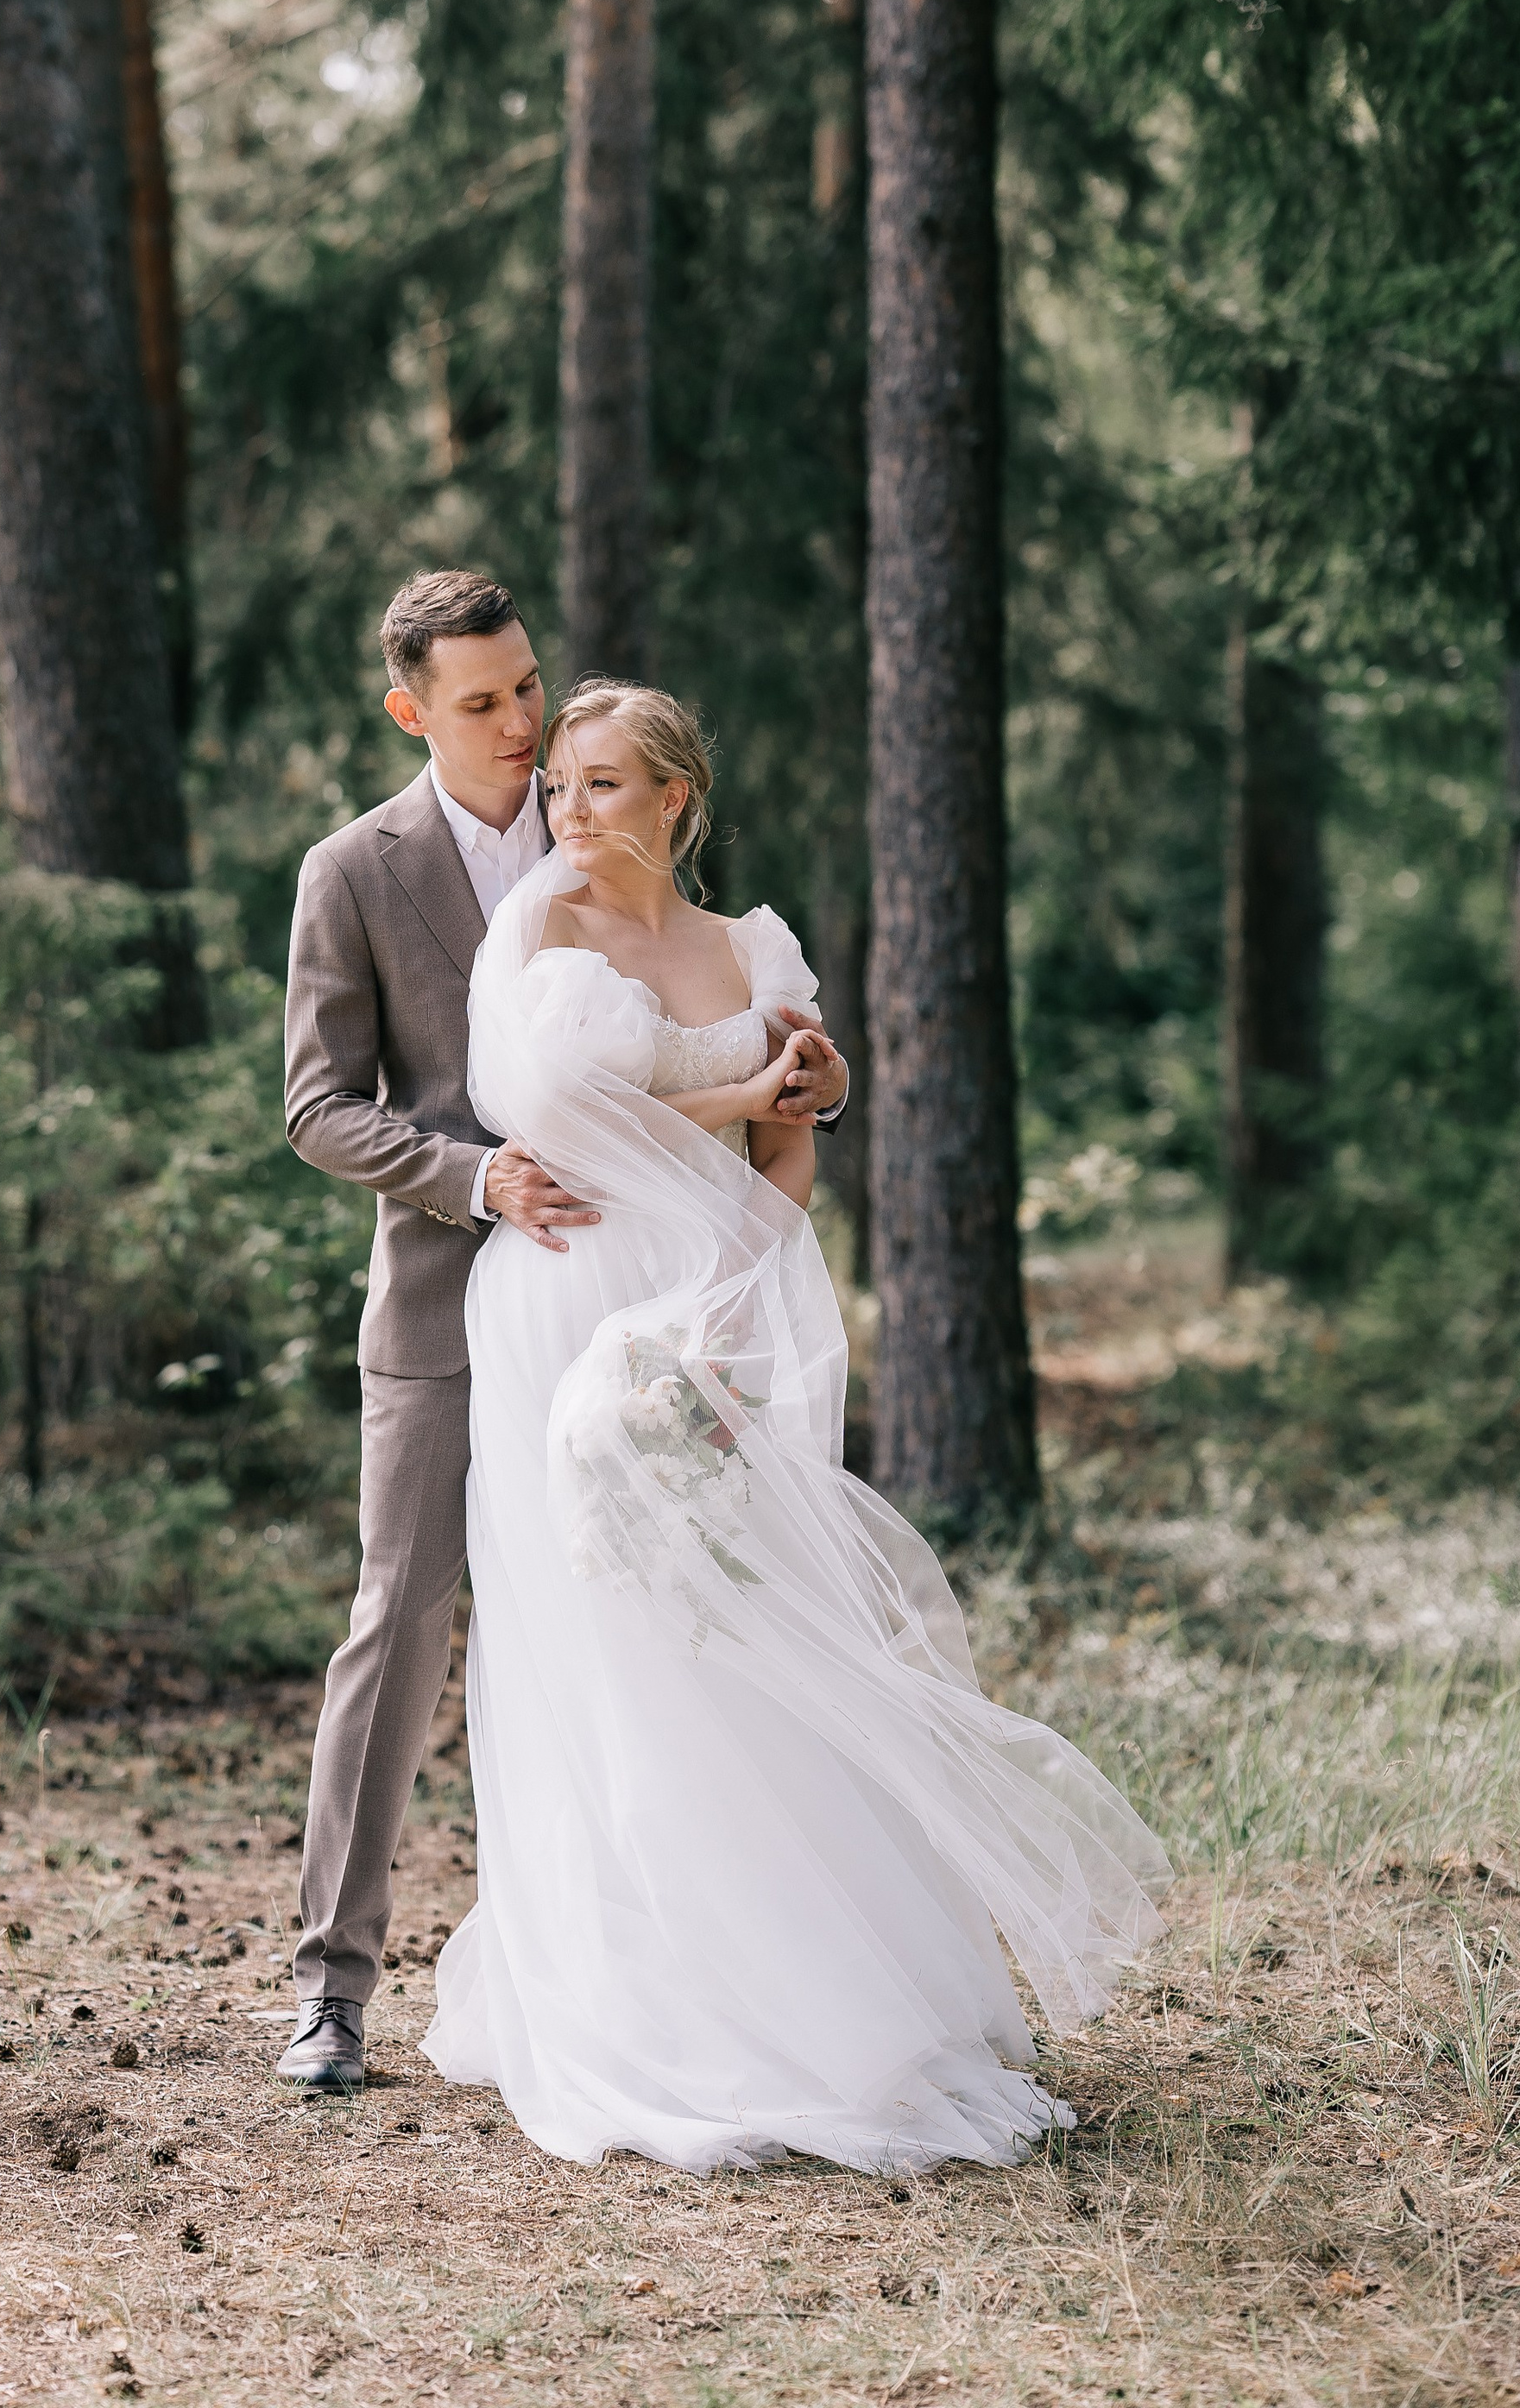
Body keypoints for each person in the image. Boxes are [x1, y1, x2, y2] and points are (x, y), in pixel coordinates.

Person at [421, 678, 1170, 2170]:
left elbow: (786, 1157)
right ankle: (636, 1986)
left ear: (678, 799)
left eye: (609, 786)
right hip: (566, 1309)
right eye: (563, 785)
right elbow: (552, 1124)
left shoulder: (752, 950)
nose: (573, 812)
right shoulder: (538, 933)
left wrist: (758, 1235)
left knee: (735, 1640)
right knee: (600, 1647)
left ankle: (799, 1981)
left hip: (708, 1312)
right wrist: (755, 1087)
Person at [277, 577, 845, 2091]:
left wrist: (813, 1085)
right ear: (413, 712)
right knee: (398, 1620)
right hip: (448, 1300)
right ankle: (333, 1985)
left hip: (637, 1299)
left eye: (526, 686)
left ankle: (663, 1958)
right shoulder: (354, 871)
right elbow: (316, 1105)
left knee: (662, 1618)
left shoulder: (605, 805)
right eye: (483, 703)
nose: (523, 725)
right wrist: (471, 1175)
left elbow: (728, 1019)